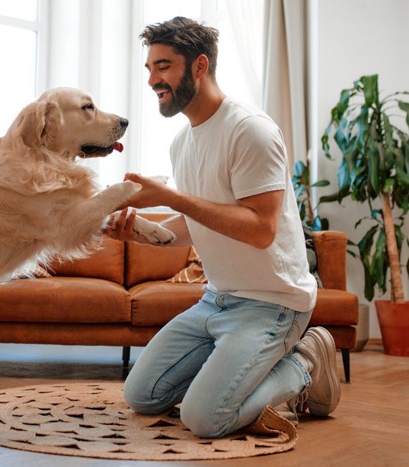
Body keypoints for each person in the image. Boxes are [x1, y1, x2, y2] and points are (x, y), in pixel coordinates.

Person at [105, 16, 340, 438]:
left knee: (205, 419)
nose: (153, 80)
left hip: (273, 303)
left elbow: (260, 229)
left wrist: (169, 197)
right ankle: (231, 369)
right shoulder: (182, 142)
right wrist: (139, 230)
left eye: (163, 67)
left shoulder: (250, 130)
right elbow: (196, 223)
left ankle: (304, 360)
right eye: (149, 68)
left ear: (199, 66)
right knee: (142, 394)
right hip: (215, 301)